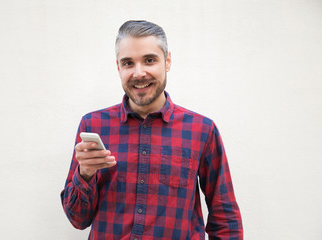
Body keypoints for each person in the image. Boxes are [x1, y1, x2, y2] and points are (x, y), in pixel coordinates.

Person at [61, 20, 243, 239]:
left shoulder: (202, 130)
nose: (139, 73)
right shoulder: (94, 125)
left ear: (167, 61)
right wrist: (86, 174)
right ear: (118, 68)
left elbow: (225, 218)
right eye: (128, 63)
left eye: (149, 60)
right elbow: (77, 220)